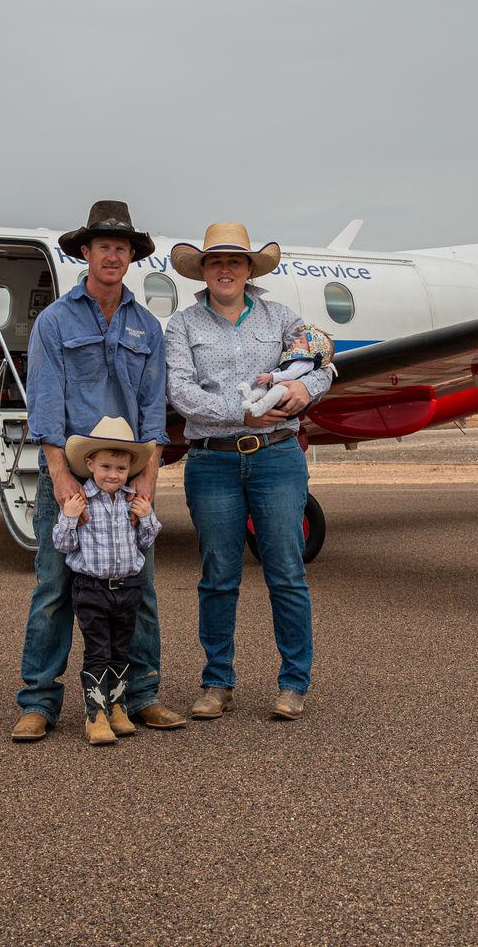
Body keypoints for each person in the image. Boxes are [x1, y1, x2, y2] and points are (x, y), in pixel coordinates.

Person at [11, 200, 186, 742]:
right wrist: (62, 480)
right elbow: (46, 403)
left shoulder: (147, 327)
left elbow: (153, 409)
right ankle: (39, 700)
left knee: (140, 587)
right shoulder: (55, 321)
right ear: (85, 252)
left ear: (132, 257)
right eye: (104, 246)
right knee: (54, 586)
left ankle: (141, 695)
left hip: (128, 478)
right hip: (71, 477)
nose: (113, 255)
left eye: (122, 247)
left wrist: (148, 480)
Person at [163, 222, 334, 721]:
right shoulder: (182, 326)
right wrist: (241, 412)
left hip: (277, 457)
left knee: (286, 571)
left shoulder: (281, 317)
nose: (225, 269)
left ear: (249, 269)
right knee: (218, 575)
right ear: (203, 270)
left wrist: (305, 389)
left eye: (234, 261)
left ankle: (294, 683)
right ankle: (217, 682)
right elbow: (180, 391)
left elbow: (320, 362)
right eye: (216, 261)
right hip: (212, 460)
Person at [52, 417, 162, 745]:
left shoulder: (132, 500)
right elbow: (63, 544)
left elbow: (146, 540)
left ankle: (117, 707)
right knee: (98, 651)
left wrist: (147, 516)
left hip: (128, 587)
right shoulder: (80, 501)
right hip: (91, 589)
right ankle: (95, 715)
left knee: (120, 650)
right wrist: (69, 517)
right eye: (106, 467)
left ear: (129, 469)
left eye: (120, 468)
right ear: (90, 464)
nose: (113, 474)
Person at [238, 325, 336, 418]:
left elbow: (290, 374)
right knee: (263, 392)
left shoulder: (305, 363)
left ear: (312, 351)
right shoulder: (296, 359)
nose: (295, 340)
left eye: (301, 341)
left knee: (277, 390)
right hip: (277, 390)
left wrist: (271, 377)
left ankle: (258, 408)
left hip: (286, 394)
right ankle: (251, 396)